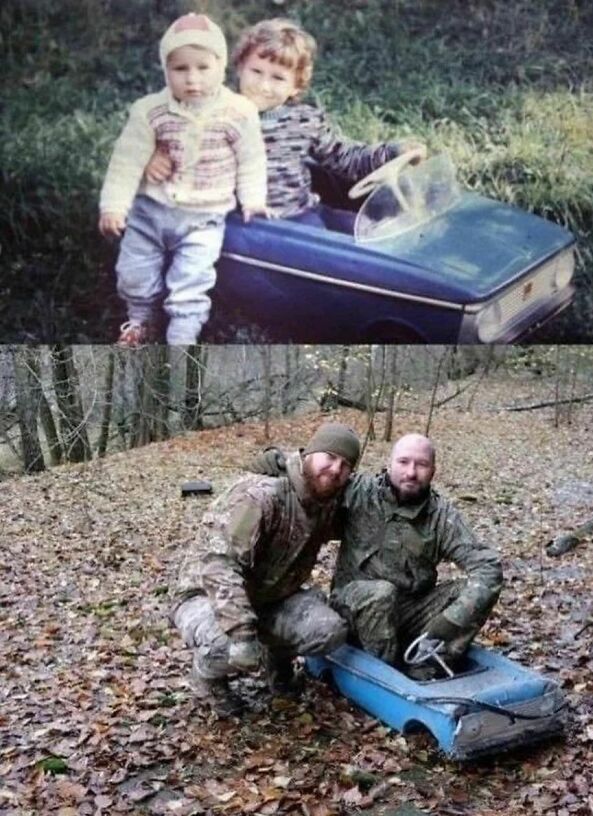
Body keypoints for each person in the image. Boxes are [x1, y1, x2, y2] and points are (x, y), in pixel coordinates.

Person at [252, 433, 503, 674]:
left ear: (433, 471)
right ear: (389, 464)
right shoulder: (359, 491)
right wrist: (282, 461)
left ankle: (426, 664)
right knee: (381, 593)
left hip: (408, 610)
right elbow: (320, 475)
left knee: (468, 592)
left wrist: (451, 621)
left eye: (422, 465)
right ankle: (386, 673)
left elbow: (487, 566)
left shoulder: (441, 515)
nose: (411, 473)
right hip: (352, 605)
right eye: (403, 462)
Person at [147, 17, 426, 230]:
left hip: (302, 214)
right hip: (250, 225)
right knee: (336, 257)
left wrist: (392, 151)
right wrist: (158, 155)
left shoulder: (304, 120)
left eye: (278, 78)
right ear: (240, 69)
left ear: (295, 86)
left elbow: (345, 157)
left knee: (368, 231)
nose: (263, 85)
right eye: (256, 71)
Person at [99, 13, 267, 347]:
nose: (193, 79)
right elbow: (127, 159)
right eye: (180, 69)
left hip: (204, 217)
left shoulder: (238, 112)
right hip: (150, 211)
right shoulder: (150, 111)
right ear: (166, 70)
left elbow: (251, 158)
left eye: (203, 68)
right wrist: (114, 206)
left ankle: (182, 336)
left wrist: (253, 198)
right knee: (135, 271)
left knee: (192, 278)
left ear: (221, 65)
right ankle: (140, 321)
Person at [171, 422, 360, 716]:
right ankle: (207, 676)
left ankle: (277, 665)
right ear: (309, 453)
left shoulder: (328, 500)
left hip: (271, 596)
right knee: (231, 646)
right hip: (205, 595)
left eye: (345, 464)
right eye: (329, 456)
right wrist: (242, 632)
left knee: (328, 630)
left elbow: (379, 496)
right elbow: (218, 565)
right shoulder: (262, 495)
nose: (335, 469)